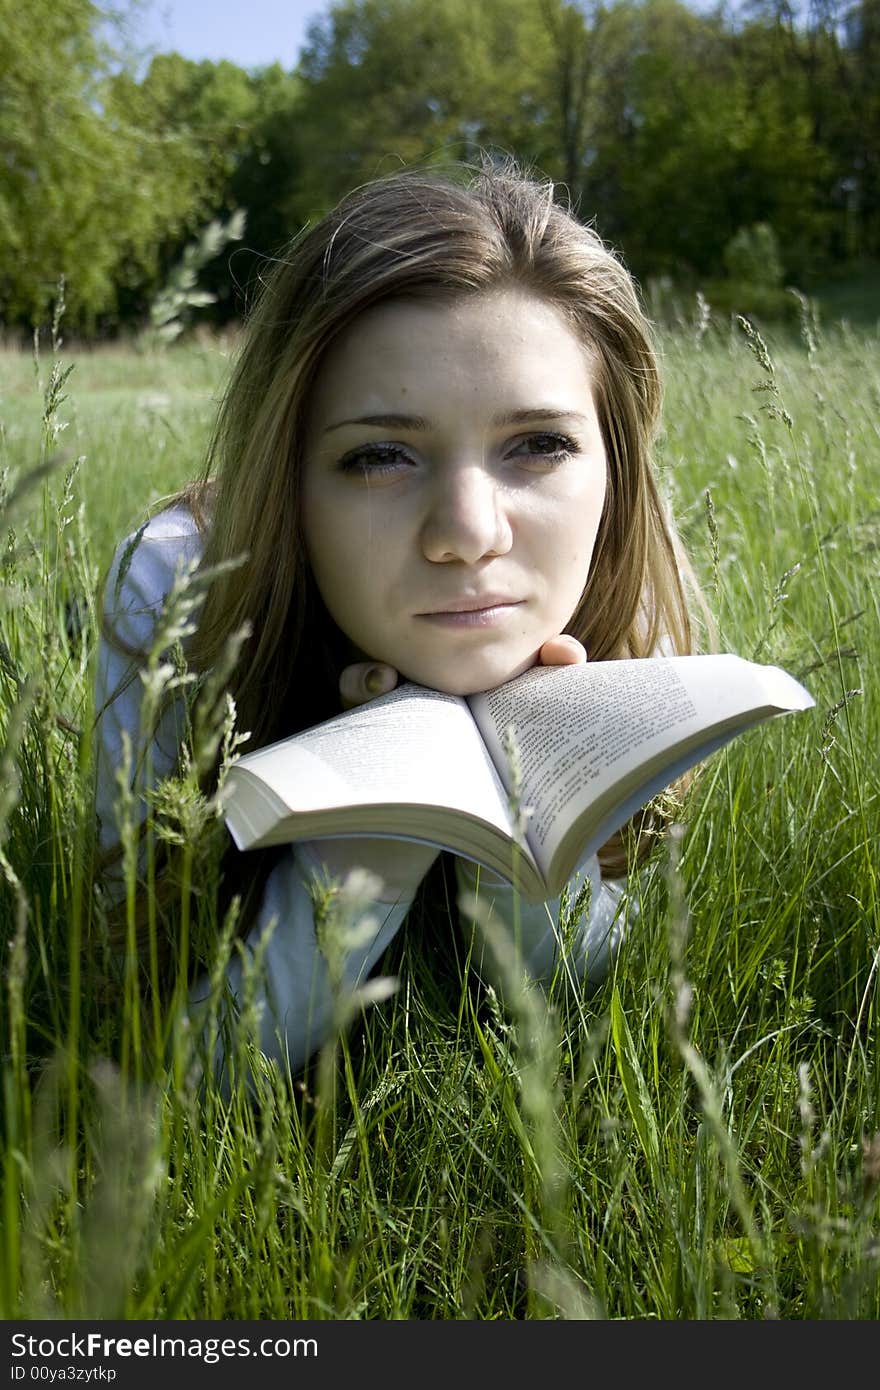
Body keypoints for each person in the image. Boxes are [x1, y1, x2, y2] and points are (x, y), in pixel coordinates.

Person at [93, 156, 699, 1083]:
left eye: (538, 446)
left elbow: (583, 1013)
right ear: (288, 481)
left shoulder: (614, 587)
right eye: (380, 456)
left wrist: (524, 836)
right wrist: (359, 854)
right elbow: (161, 1062)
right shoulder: (177, 591)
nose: (467, 534)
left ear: (611, 467)